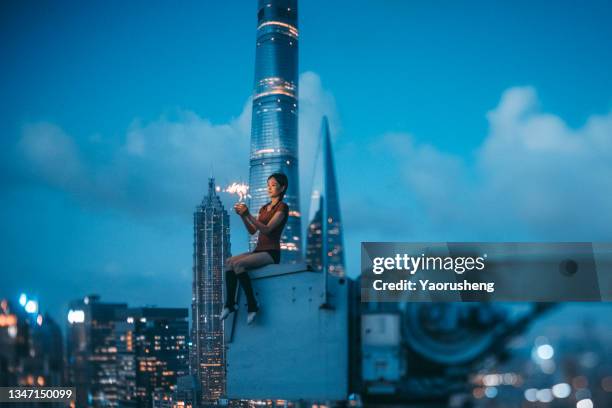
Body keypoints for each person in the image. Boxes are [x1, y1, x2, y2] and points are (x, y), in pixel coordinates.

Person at [220, 172, 289, 324]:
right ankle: (230, 304)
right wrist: (243, 216)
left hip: (271, 253)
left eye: (273, 185)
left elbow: (267, 230)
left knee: (238, 264)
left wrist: (248, 214)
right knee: (228, 262)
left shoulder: (282, 208)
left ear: (282, 188)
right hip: (258, 250)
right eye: (268, 185)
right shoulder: (264, 208)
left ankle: (252, 304)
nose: (269, 188)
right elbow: (253, 231)